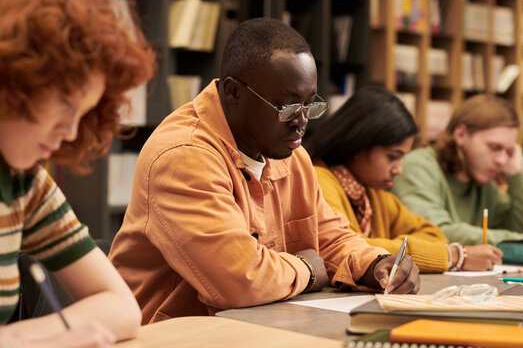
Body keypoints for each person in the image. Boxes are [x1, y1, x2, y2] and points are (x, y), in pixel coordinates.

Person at [109, 18, 420, 325]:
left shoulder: (289, 152)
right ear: (233, 92)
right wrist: (307, 269)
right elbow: (239, 279)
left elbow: (331, 238)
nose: (301, 122)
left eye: (310, 105)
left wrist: (377, 263)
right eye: (286, 107)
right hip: (172, 337)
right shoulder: (183, 157)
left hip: (257, 328)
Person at [0, 0, 155, 346]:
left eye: (84, 113)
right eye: (65, 103)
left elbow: (123, 309)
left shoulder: (25, 181)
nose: (71, 131)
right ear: (14, 78)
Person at [304, 86, 503, 272]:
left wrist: (388, 248)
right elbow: (349, 248)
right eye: (392, 157)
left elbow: (434, 235)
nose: (399, 169)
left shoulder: (374, 195)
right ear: (357, 145)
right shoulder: (320, 182)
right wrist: (453, 256)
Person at [392, 94, 523, 248]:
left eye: (508, 151)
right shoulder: (418, 166)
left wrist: (516, 176)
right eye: (494, 147)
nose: (502, 160)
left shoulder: (483, 181)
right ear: (461, 135)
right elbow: (433, 232)